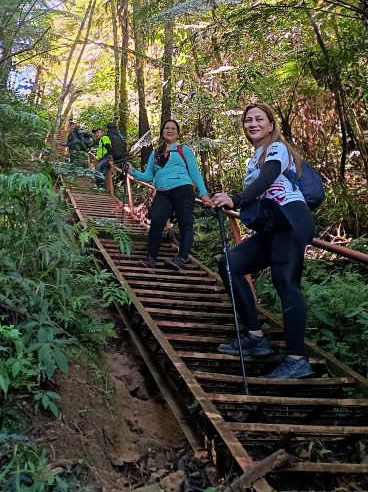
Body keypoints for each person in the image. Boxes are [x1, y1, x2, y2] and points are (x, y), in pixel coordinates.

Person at [209, 103, 316, 380]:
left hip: (291, 218)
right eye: (248, 120)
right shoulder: (255, 156)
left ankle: (296, 359)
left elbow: (268, 178)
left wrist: (236, 199)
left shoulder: (277, 148)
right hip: (273, 225)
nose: (252, 123)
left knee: (285, 281)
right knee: (231, 263)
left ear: (271, 125)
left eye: (259, 119)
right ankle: (255, 336)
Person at [126, 119, 212, 270]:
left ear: (178, 133)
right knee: (157, 222)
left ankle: (181, 259)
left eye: (173, 128)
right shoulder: (155, 153)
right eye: (166, 128)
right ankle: (151, 259)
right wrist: (132, 171)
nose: (170, 130)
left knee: (185, 225)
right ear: (162, 132)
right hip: (163, 193)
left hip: (182, 189)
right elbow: (148, 176)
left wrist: (204, 193)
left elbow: (195, 173)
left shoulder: (183, 150)